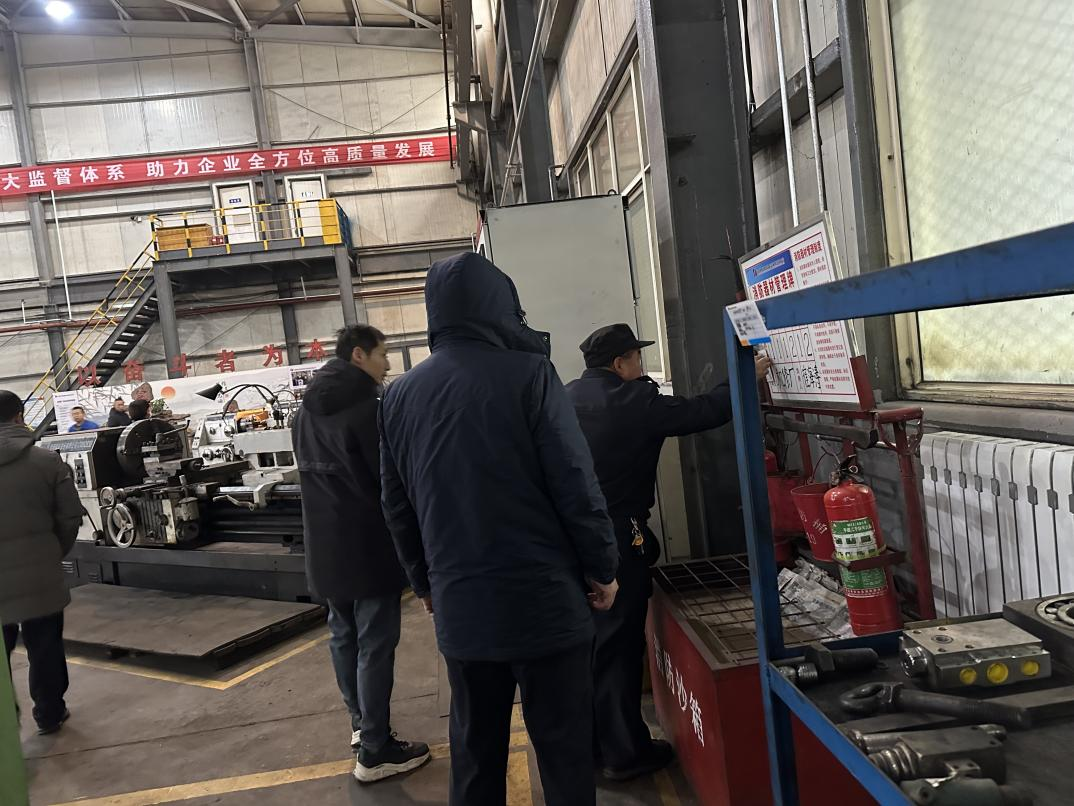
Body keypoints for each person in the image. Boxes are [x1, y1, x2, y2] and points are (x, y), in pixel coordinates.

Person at [379, 253, 620, 806]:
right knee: (563, 750)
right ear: (499, 306)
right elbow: (575, 482)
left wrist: (424, 583)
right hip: (545, 603)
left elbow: (396, 505)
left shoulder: (398, 396)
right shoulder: (529, 374)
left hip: (461, 605)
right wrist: (602, 567)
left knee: (474, 749)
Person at [565, 323, 773, 781]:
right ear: (620, 363)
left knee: (591, 645)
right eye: (636, 357)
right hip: (617, 538)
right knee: (619, 646)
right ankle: (624, 753)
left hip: (570, 539)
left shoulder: (565, 397)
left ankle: (594, 747)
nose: (640, 365)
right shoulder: (633, 401)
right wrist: (746, 375)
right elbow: (704, 411)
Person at [292, 324, 429, 784]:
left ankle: (360, 724)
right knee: (375, 643)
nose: (387, 364)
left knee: (343, 634)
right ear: (358, 355)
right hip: (369, 545)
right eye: (382, 354)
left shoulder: (305, 411)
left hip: (326, 543)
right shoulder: (370, 409)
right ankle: (375, 750)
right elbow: (391, 484)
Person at [0, 390, 83, 735]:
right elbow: (70, 518)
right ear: (19, 416)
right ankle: (49, 714)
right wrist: (51, 552)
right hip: (40, 574)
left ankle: (6, 724)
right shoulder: (47, 461)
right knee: (45, 645)